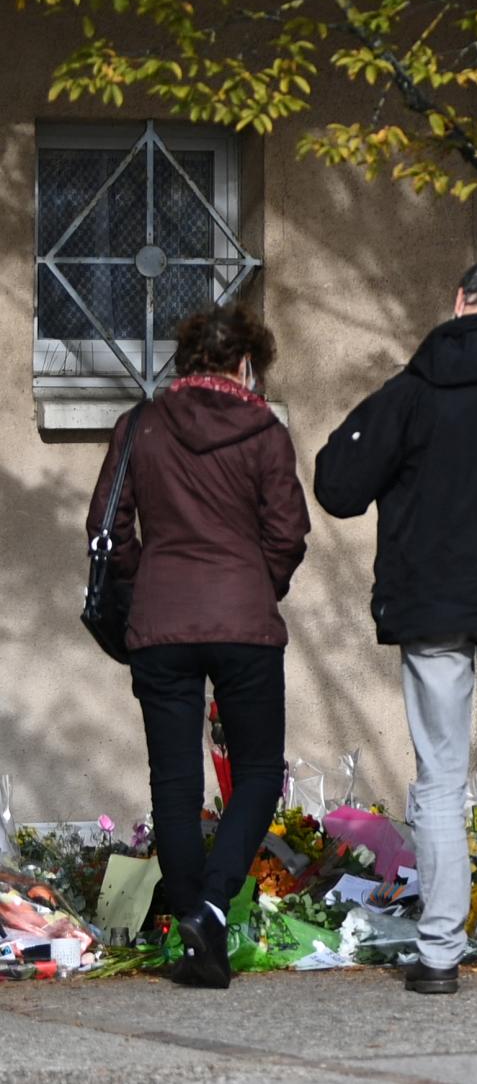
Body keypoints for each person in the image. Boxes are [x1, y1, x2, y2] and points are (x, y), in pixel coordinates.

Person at [316, 259, 477, 994]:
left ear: (460, 300)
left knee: (440, 779)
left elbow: (338, 485)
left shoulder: (413, 387)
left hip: (431, 606)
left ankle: (438, 956)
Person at [82, 304, 307, 989]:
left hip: (161, 624)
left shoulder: (140, 426)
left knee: (174, 782)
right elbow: (288, 533)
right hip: (244, 624)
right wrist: (251, 584)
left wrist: (145, 583)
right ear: (246, 364)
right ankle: (212, 905)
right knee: (260, 770)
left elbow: (108, 529)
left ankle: (193, 928)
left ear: (184, 363)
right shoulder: (265, 431)